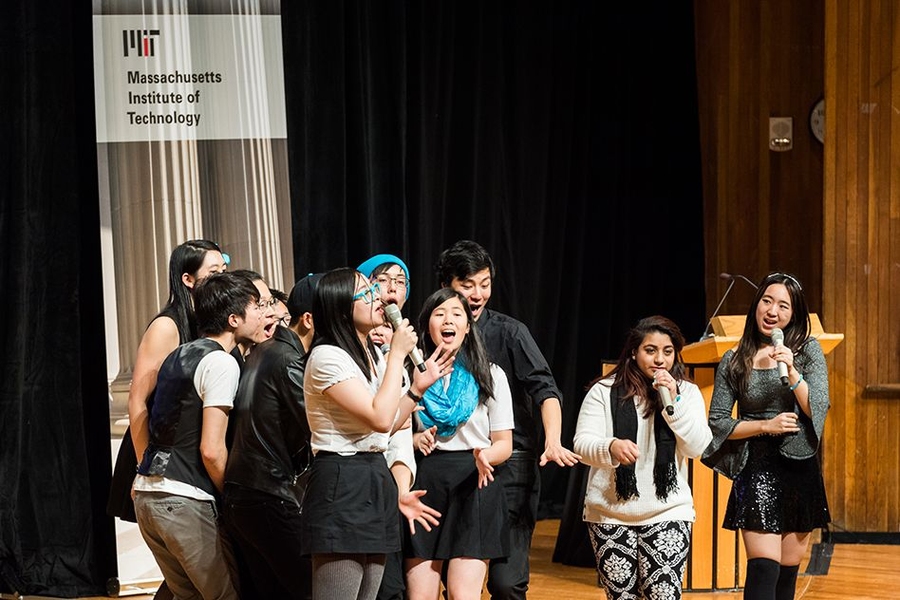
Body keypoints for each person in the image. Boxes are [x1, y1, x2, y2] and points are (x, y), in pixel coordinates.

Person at [435, 240, 580, 599]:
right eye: (467, 285)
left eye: (484, 284)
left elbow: (545, 389)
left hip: (511, 462)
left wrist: (553, 440)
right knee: (453, 581)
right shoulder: (433, 331)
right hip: (453, 463)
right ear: (446, 286)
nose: (478, 293)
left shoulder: (509, 332)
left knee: (506, 581)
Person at [302, 268, 452, 600]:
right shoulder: (327, 357)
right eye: (367, 293)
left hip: (373, 475)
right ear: (340, 306)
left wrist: (414, 391)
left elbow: (387, 425)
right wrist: (397, 354)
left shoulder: (369, 356)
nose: (379, 298)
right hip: (341, 480)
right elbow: (380, 419)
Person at [132, 272, 269, 600]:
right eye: (256, 307)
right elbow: (211, 449)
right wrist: (233, 499)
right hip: (183, 499)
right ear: (235, 319)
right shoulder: (221, 362)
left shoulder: (179, 353)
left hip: (147, 496)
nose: (263, 314)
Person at [702, 272, 830, 600]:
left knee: (786, 579)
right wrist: (764, 425)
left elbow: (818, 409)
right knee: (763, 570)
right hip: (756, 465)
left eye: (783, 305)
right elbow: (717, 422)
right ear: (756, 305)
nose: (773, 310)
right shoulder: (734, 359)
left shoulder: (807, 351)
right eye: (767, 301)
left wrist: (793, 371)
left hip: (800, 465)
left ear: (794, 314)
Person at [573, 316, 712, 600]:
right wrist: (610, 447)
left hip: (668, 510)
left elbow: (697, 447)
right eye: (651, 350)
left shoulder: (687, 393)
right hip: (609, 512)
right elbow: (582, 444)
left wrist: (673, 404)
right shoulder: (604, 391)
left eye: (668, 351)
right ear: (634, 352)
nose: (660, 359)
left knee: (663, 596)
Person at [405, 288, 514, 600]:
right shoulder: (412, 374)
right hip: (425, 483)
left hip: (474, 481)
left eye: (456, 314)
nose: (448, 320)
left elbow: (504, 443)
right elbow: (391, 431)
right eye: (439, 314)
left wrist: (486, 456)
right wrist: (414, 439)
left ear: (468, 325)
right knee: (420, 596)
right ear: (427, 325)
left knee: (462, 594)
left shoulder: (491, 375)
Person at [223, 272, 323, 600]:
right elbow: (319, 427)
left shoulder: (264, 351)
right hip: (269, 494)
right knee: (314, 590)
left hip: (248, 495)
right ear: (309, 319)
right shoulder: (286, 359)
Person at [357, 253, 440, 600]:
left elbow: (398, 435)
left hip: (394, 486)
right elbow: (376, 423)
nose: (392, 288)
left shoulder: (403, 349)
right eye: (383, 280)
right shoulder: (350, 351)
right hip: (358, 485)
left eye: (400, 281)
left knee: (391, 588)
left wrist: (401, 487)